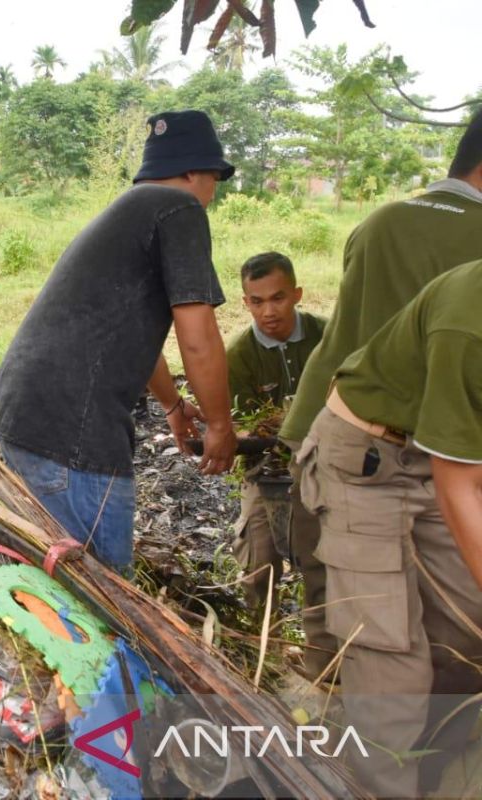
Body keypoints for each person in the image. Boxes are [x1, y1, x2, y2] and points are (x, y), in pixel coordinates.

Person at [280, 108, 482, 679]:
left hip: (323, 425)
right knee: (410, 632)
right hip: (407, 446)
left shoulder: (380, 219)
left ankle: (324, 703)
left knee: (334, 599)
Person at [0, 109, 238, 572]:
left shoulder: (130, 211)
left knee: (57, 586)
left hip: (26, 414)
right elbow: (198, 334)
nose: (212, 192)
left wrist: (172, 405)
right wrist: (221, 425)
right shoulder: (179, 208)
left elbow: (127, 336)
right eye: (214, 179)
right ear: (192, 171)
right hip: (70, 429)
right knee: (102, 600)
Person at [295, 259, 482, 798]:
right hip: (371, 463)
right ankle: (384, 788)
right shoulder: (470, 321)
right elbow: (459, 486)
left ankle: (435, 769)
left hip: (450, 454)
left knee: (467, 626)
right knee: (389, 654)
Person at [225, 252, 325, 613]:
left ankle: (325, 639)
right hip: (265, 468)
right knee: (259, 558)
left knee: (326, 560)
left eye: (278, 298)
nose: (268, 311)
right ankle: (264, 636)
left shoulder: (325, 336)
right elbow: (241, 425)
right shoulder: (238, 355)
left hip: (325, 463)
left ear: (297, 294)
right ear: (245, 303)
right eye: (257, 301)